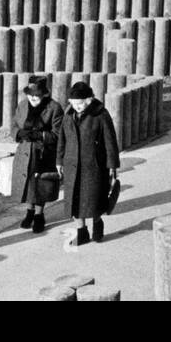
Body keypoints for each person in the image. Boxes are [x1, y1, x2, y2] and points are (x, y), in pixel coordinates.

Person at [56, 81, 120, 245]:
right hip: (72, 166)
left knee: (94, 200)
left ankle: (97, 226)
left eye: (81, 103)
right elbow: (62, 140)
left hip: (94, 166)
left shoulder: (100, 115)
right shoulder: (68, 115)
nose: (77, 107)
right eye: (74, 103)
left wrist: (112, 165)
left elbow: (110, 141)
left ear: (89, 100)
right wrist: (59, 161)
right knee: (75, 203)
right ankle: (82, 233)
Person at [9, 76, 64, 233]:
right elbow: (13, 125)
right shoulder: (22, 105)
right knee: (28, 185)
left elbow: (58, 134)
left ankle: (39, 215)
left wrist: (41, 136)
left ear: (44, 94)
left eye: (37, 94)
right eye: (30, 94)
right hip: (25, 152)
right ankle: (29, 212)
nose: (33, 97)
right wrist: (19, 133)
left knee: (40, 185)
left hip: (44, 153)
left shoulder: (54, 108)